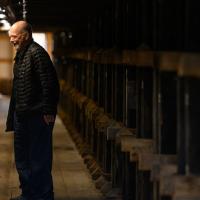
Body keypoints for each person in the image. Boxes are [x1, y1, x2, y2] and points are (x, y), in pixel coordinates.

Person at [5, 20, 60, 200]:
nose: (12, 40)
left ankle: (43, 196)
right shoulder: (21, 55)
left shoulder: (37, 54)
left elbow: (50, 85)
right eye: (10, 37)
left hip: (37, 116)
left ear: (26, 35)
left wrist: (49, 112)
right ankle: (28, 194)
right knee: (22, 159)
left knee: (39, 160)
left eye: (14, 37)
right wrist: (13, 116)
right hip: (21, 116)